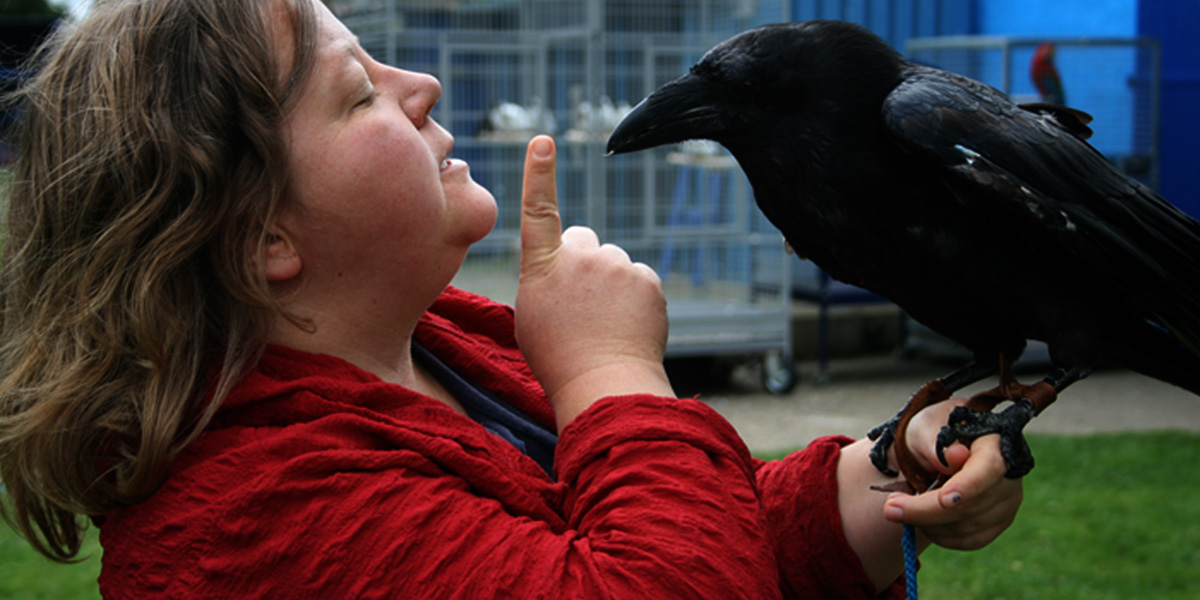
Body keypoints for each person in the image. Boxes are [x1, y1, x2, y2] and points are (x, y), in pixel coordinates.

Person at [0, 0, 1022, 597]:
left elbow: (691, 531)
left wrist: (882, 481)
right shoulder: (252, 516)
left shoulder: (447, 347)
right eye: (359, 93)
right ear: (263, 231)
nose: (424, 86)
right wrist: (612, 377)